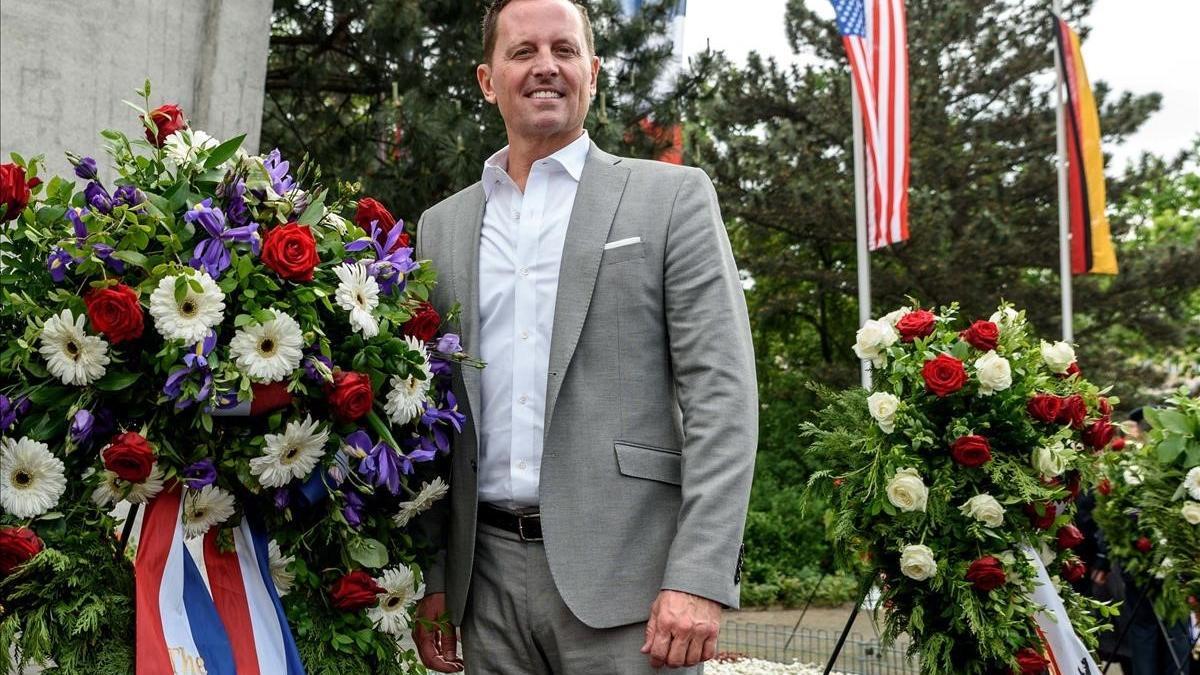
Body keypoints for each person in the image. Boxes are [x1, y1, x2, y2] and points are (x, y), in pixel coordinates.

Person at [409, 0, 759, 673]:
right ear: (487, 80)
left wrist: (700, 574)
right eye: (524, 51)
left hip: (632, 589)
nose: (547, 67)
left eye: (564, 50)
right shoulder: (442, 227)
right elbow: (434, 418)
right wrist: (434, 574)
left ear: (592, 74)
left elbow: (722, 396)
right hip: (483, 589)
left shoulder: (672, 199)